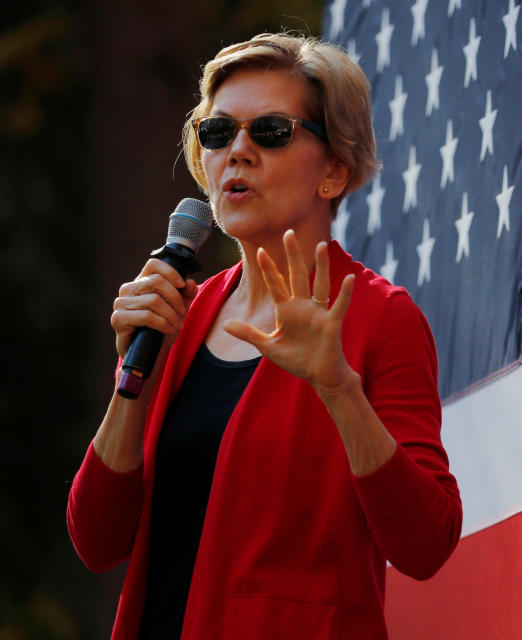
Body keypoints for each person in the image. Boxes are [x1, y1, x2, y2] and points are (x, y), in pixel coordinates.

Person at [66, 33, 462, 639]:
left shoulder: (381, 318)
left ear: (333, 170)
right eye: (218, 132)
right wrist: (132, 382)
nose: (238, 152)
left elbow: (427, 544)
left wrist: (340, 393)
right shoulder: (183, 314)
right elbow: (97, 541)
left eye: (271, 131)